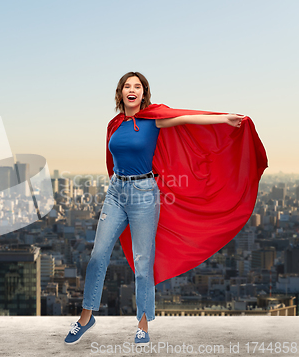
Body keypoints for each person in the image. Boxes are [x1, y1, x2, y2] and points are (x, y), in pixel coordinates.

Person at [64, 72, 245, 346]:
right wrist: (117, 185)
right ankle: (86, 317)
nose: (132, 90)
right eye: (127, 86)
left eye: (137, 86)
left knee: (143, 263)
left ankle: (143, 324)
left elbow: (186, 117)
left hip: (144, 194)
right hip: (115, 192)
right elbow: (111, 160)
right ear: (121, 93)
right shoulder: (113, 124)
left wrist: (224, 118)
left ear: (143, 93)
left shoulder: (153, 119)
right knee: (97, 255)